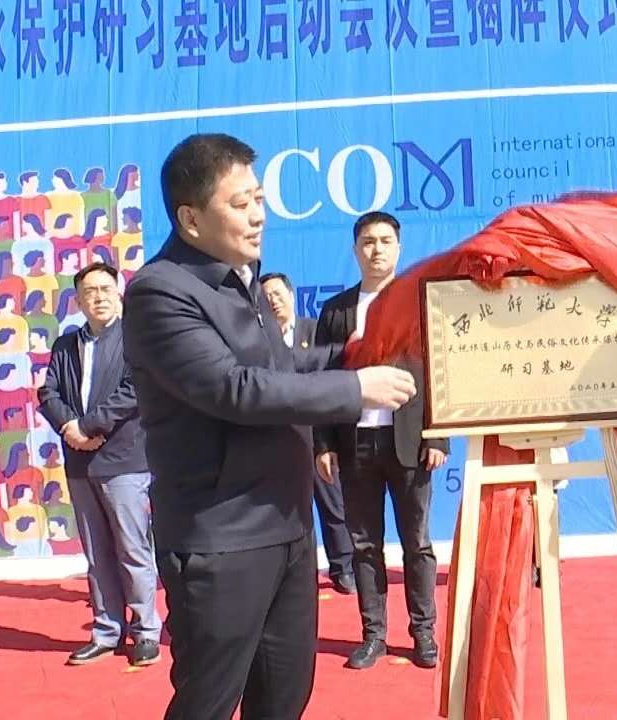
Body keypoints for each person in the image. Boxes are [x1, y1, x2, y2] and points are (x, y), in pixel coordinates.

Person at [122, 133, 416, 719]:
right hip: (220, 537)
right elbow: (235, 389)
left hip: (287, 526)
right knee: (208, 703)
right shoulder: (161, 292)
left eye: (259, 198)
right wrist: (355, 389)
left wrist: (356, 354)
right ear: (190, 218)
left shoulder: (244, 277)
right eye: (240, 204)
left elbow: (281, 368)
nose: (258, 215)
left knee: (284, 699)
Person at [314, 211, 448, 671]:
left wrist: (438, 436)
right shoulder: (336, 311)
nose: (376, 250)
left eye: (385, 241)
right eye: (368, 242)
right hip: (355, 443)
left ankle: (423, 633)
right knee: (364, 545)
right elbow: (323, 381)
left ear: (399, 247)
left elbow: (441, 372)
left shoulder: (421, 303)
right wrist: (323, 444)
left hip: (410, 441)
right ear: (355, 250)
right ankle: (373, 636)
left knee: (417, 543)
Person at [37, 261, 160, 667]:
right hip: (79, 461)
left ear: (118, 293)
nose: (99, 297)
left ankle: (145, 631)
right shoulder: (65, 345)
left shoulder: (136, 339)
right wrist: (69, 428)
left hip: (124, 460)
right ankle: (107, 630)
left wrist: (89, 426)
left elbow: (134, 390)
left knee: (132, 549)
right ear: (78, 300)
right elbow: (48, 393)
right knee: (97, 554)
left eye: (105, 289)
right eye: (89, 291)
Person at [262, 271, 356, 596]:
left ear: (292, 295)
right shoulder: (259, 340)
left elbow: (330, 375)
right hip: (279, 438)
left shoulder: (315, 332)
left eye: (278, 294)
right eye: (266, 297)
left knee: (333, 504)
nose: (273, 301)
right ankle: (290, 574)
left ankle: (343, 566)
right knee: (283, 510)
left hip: (318, 435)